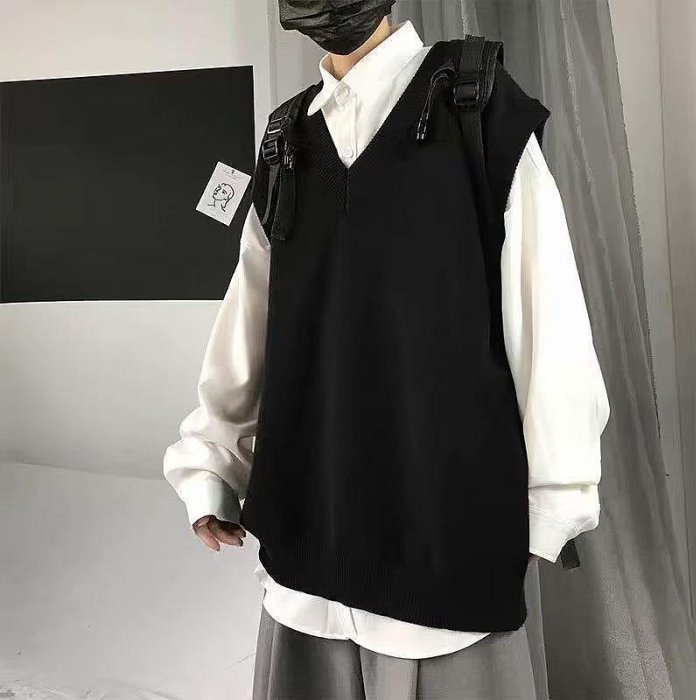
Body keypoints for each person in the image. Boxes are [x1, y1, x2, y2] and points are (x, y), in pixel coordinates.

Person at [164, 6, 611, 699]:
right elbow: (249, 324)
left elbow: (547, 317)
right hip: (305, 556)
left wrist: (555, 499)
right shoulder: (287, 141)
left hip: (444, 559)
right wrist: (211, 465)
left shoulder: (476, 106)